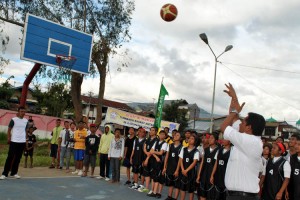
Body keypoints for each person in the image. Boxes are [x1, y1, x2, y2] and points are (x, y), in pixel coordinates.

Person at [220, 83, 265, 200]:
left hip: (244, 197)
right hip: (235, 196)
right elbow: (233, 117)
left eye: (243, 122)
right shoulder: (244, 137)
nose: (240, 123)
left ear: (249, 127)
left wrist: (236, 111)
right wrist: (234, 98)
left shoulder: (250, 141)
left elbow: (224, 126)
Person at [1, 106, 28, 180]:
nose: (23, 113)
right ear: (18, 112)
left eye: (24, 111)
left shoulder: (26, 121)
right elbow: (9, 129)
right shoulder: (13, 120)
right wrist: (8, 138)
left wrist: (26, 140)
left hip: (22, 142)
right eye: (21, 111)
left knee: (18, 158)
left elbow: (26, 131)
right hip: (14, 141)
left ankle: (14, 173)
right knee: (10, 157)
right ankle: (4, 174)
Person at [197, 133, 219, 200]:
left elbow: (216, 164)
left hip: (212, 176)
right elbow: (202, 162)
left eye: (212, 138)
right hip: (204, 174)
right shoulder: (206, 150)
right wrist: (199, 175)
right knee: (202, 193)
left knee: (210, 195)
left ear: (216, 140)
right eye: (209, 138)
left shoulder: (218, 150)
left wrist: (212, 175)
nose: (209, 139)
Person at [178, 134, 199, 200]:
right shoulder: (183, 149)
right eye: (189, 138)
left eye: (192, 139)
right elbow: (181, 160)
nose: (190, 140)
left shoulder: (196, 151)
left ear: (195, 141)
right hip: (183, 171)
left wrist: (186, 170)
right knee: (182, 188)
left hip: (191, 173)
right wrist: (182, 169)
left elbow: (194, 162)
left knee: (191, 190)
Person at [163, 131, 182, 200]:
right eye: (174, 135)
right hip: (170, 167)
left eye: (177, 135)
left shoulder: (182, 147)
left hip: (177, 168)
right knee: (170, 183)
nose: (175, 136)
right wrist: (165, 167)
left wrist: (177, 170)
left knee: (177, 184)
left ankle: (175, 198)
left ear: (180, 138)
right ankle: (169, 196)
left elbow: (180, 160)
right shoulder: (170, 145)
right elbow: (167, 156)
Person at [149, 130, 168, 198]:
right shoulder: (156, 142)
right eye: (160, 134)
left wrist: (154, 152)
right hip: (155, 161)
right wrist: (156, 156)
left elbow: (161, 153)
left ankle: (156, 192)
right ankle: (153, 191)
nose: (161, 135)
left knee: (159, 178)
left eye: (163, 134)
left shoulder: (165, 144)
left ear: (165, 136)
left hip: (161, 163)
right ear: (158, 135)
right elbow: (151, 151)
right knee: (154, 176)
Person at [143, 127, 158, 193]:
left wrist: (147, 158)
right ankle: (146, 188)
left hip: (152, 159)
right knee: (146, 173)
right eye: (150, 130)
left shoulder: (156, 140)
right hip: (147, 157)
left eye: (153, 130)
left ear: (156, 132)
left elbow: (152, 151)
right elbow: (144, 148)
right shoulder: (147, 139)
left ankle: (152, 190)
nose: (151, 131)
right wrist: (146, 153)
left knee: (152, 175)